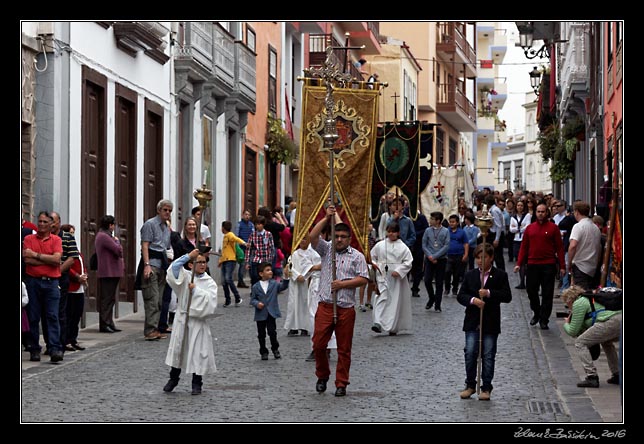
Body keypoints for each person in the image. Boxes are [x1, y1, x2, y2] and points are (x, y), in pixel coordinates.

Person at [309, 204, 369, 397]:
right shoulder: (326, 251)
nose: (340, 240)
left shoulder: (357, 256)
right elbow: (312, 237)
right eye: (337, 236)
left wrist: (343, 284)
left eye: (343, 237)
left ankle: (341, 382)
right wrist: (327, 218)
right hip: (326, 305)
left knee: (344, 348)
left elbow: (363, 279)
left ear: (349, 239)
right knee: (319, 344)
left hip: (345, 308)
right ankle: (322, 375)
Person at [457, 243, 512, 401]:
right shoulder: (470, 275)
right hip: (473, 320)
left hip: (490, 321)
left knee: (488, 355)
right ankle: (470, 385)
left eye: (484, 258)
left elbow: (507, 296)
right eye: (478, 258)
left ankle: (486, 387)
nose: (480, 261)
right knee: (470, 353)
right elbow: (461, 296)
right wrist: (473, 300)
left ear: (491, 258)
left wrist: (489, 293)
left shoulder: (500, 275)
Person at [163, 249, 218, 395]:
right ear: (190, 265)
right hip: (182, 319)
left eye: (203, 262)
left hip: (197, 322)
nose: (201, 265)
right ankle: (173, 378)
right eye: (198, 262)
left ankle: (197, 382)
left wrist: (196, 291)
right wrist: (188, 256)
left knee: (197, 352)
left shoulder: (210, 282)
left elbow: (211, 302)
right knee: (179, 350)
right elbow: (173, 270)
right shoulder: (186, 276)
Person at [514, 203, 566, 330]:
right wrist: (519, 264)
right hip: (532, 264)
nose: (541, 214)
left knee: (547, 293)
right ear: (535, 213)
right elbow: (524, 247)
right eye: (538, 211)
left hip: (548, 264)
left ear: (547, 213)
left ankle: (544, 319)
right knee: (531, 291)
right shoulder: (530, 228)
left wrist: (562, 266)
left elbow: (559, 248)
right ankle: (536, 312)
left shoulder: (553, 228)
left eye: (543, 211)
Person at [23, 211, 64, 363]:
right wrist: (48, 260)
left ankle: (54, 348)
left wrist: (36, 255)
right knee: (33, 317)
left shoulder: (56, 240)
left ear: (51, 224)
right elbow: (27, 260)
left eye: (45, 222)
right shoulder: (28, 239)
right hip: (33, 281)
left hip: (51, 283)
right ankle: (34, 348)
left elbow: (57, 260)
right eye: (39, 221)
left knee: (52, 316)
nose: (41, 225)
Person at [561, 285, 622, 388]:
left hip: (611, 321)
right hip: (619, 318)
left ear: (570, 299)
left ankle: (591, 376)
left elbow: (572, 331)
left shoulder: (579, 303)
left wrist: (566, 323)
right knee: (606, 342)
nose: (568, 307)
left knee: (580, 342)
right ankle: (617, 374)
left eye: (567, 304)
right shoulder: (589, 297)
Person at [136, 199, 173, 341]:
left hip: (162, 265)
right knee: (152, 298)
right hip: (151, 264)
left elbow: (166, 246)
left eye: (170, 211)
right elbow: (145, 245)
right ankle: (150, 329)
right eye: (165, 210)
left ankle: (156, 328)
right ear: (159, 210)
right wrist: (147, 265)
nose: (168, 213)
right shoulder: (150, 224)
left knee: (159, 300)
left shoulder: (166, 227)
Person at [370, 221, 413, 336]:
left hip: (396, 278)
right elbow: (371, 256)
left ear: (398, 233)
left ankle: (392, 325)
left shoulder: (403, 247)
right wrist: (374, 265)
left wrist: (399, 271)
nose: (391, 234)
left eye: (393, 232)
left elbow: (408, 262)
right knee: (381, 296)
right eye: (389, 231)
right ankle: (378, 322)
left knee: (394, 301)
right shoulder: (380, 245)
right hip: (382, 274)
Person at [250, 262, 289, 360]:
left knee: (272, 332)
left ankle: (275, 349)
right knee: (261, 334)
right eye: (267, 270)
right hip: (261, 313)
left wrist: (286, 278)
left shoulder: (274, 284)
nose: (270, 272)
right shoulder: (256, 286)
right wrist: (257, 304)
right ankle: (263, 351)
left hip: (271, 313)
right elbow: (253, 299)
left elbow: (283, 286)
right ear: (261, 274)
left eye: (270, 270)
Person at [284, 236, 319, 337]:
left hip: (307, 283)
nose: (302, 241)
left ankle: (305, 327)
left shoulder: (312, 253)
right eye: (301, 239)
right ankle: (293, 327)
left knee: (306, 304)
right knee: (294, 304)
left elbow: (317, 266)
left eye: (304, 239)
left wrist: (305, 276)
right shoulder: (294, 253)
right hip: (295, 283)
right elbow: (289, 266)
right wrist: (296, 275)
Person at [95, 215, 124, 333]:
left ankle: (109, 322)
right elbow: (118, 250)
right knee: (107, 299)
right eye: (113, 224)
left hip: (111, 272)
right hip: (108, 272)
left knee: (110, 298)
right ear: (110, 225)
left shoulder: (105, 236)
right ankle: (105, 323)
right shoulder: (104, 237)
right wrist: (117, 242)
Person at [61, 224, 88, 351]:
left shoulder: (75, 248)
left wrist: (84, 274)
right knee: (69, 314)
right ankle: (66, 340)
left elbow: (81, 263)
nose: (72, 235)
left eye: (73, 233)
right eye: (70, 233)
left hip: (80, 287)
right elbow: (68, 266)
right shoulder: (64, 248)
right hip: (71, 285)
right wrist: (77, 276)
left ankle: (73, 339)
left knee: (77, 314)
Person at [567, 201, 602, 291]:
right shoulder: (595, 228)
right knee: (589, 294)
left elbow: (573, 245)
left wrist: (569, 262)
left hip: (580, 265)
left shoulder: (578, 226)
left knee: (580, 295)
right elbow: (599, 248)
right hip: (592, 266)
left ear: (577, 212)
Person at [422, 211, 450, 312]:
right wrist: (430, 256)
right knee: (427, 280)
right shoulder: (427, 230)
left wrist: (435, 256)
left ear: (438, 221)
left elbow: (446, 245)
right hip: (429, 259)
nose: (430, 221)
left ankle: (438, 304)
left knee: (439, 282)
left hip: (441, 259)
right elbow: (424, 244)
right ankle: (431, 297)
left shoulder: (446, 231)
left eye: (432, 219)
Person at [218, 220, 247, 307]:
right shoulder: (225, 236)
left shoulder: (229, 235)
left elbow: (236, 239)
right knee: (224, 281)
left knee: (228, 279)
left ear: (223, 228)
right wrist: (220, 261)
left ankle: (237, 297)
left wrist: (244, 243)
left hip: (230, 260)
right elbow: (224, 251)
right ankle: (228, 299)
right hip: (225, 260)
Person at [443, 214, 469, 297]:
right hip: (448, 255)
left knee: (456, 273)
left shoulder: (462, 232)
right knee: (447, 272)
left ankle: (455, 288)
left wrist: (466, 254)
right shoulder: (446, 231)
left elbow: (466, 243)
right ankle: (447, 288)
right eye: (450, 222)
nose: (451, 224)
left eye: (453, 222)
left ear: (457, 223)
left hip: (458, 255)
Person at [245, 215, 275, 286]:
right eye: (256, 224)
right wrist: (247, 261)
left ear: (263, 224)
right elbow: (248, 248)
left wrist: (270, 259)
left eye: (259, 224)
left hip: (265, 259)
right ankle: (254, 292)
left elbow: (271, 247)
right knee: (254, 277)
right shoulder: (253, 235)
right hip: (256, 259)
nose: (257, 226)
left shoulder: (268, 234)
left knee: (264, 278)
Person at [235, 210, 255, 287]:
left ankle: (252, 279)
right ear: (242, 215)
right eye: (246, 214)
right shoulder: (239, 225)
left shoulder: (251, 225)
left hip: (250, 248)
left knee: (250, 263)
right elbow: (237, 236)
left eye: (248, 215)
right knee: (242, 265)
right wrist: (241, 244)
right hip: (242, 247)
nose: (247, 216)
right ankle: (240, 281)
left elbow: (253, 235)